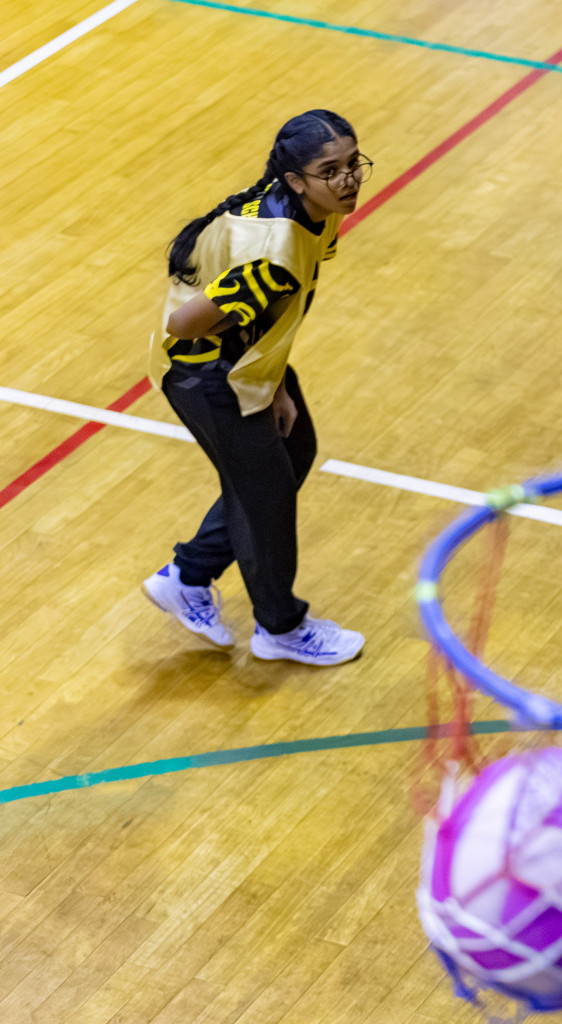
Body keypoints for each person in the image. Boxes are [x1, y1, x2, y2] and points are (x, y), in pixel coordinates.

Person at [140, 110, 370, 666]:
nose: (348, 180)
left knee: (294, 452)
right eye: (329, 170)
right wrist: (260, 383)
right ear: (295, 180)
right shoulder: (275, 247)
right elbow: (186, 325)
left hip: (242, 362)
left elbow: (272, 312)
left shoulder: (313, 209)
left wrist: (277, 379)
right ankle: (281, 629)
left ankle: (188, 577)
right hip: (207, 375)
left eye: (352, 164)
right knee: (265, 497)